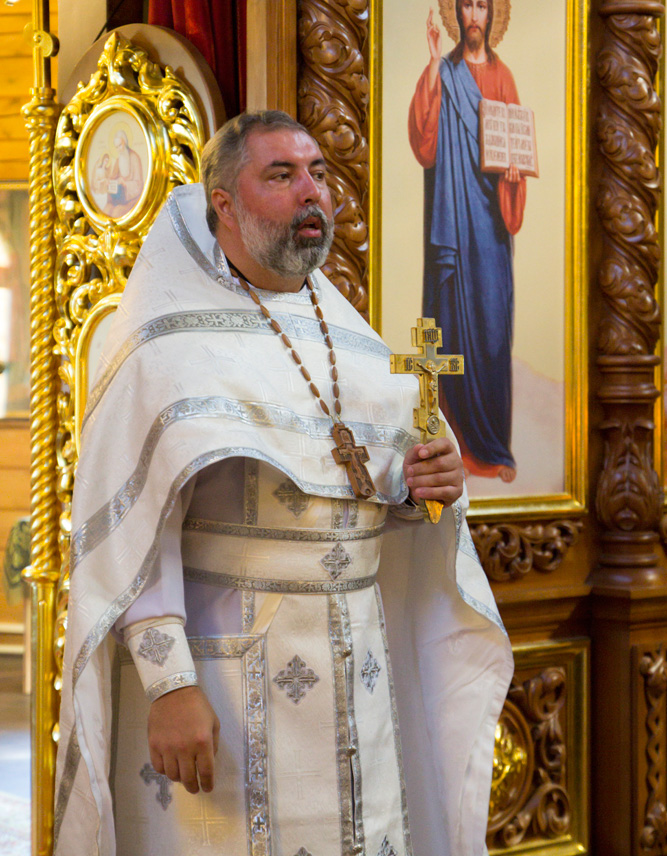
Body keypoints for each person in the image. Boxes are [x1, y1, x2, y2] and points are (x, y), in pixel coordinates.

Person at [54, 111, 512, 856]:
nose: (312, 193)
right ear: (223, 204)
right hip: (226, 680)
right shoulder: (162, 344)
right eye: (282, 175)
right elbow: (134, 529)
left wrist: (418, 489)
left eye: (318, 174)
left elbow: (369, 493)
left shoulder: (349, 338)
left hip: (359, 670)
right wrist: (169, 684)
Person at [409, 0, 527, 483]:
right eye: (466, 5)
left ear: (491, 14)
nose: (474, 15)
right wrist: (433, 61)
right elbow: (425, 143)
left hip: (491, 230)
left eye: (481, 6)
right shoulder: (446, 71)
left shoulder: (503, 77)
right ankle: (453, 442)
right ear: (456, 12)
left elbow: (515, 144)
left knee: (493, 330)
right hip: (453, 224)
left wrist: (514, 176)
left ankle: (493, 449)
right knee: (454, 327)